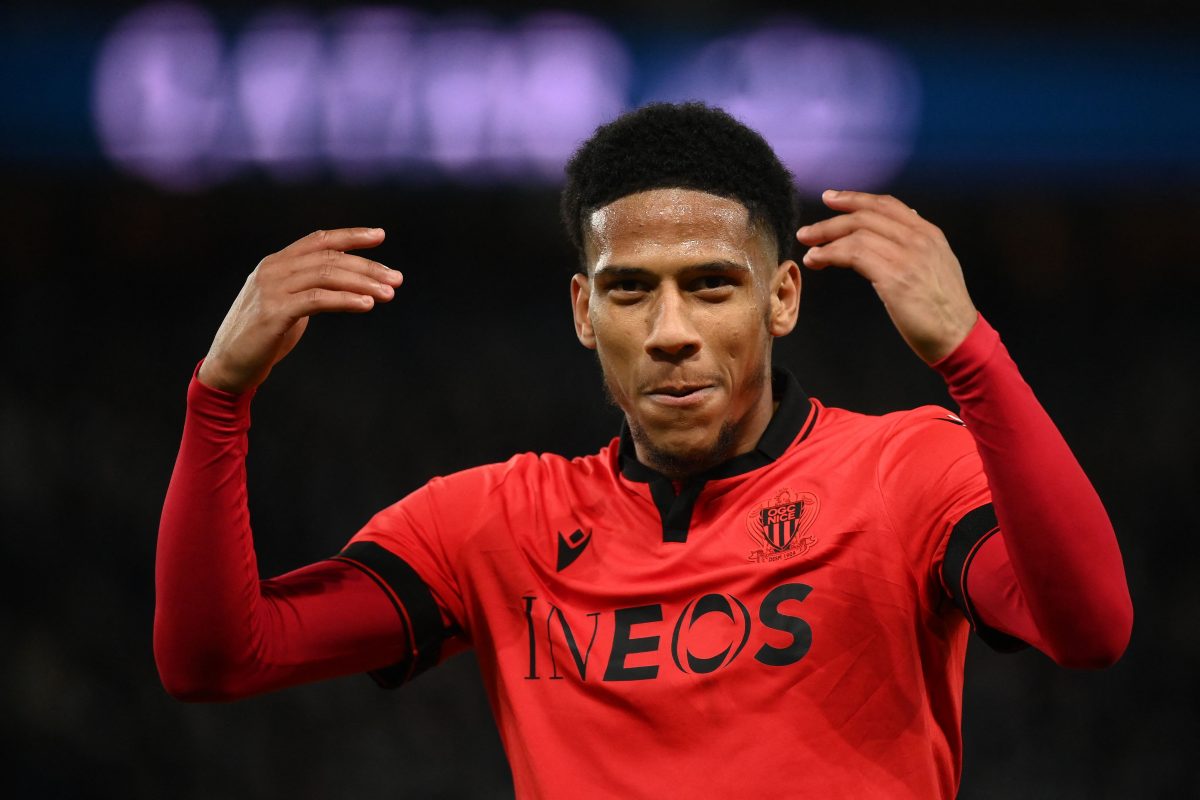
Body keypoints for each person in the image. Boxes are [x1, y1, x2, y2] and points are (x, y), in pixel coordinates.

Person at [156, 102, 1132, 798]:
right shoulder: (495, 522)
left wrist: (970, 354)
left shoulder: (906, 471)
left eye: (711, 285)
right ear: (585, 311)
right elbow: (217, 659)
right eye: (631, 290)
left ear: (782, 297)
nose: (671, 332)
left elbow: (1091, 629)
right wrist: (220, 397)